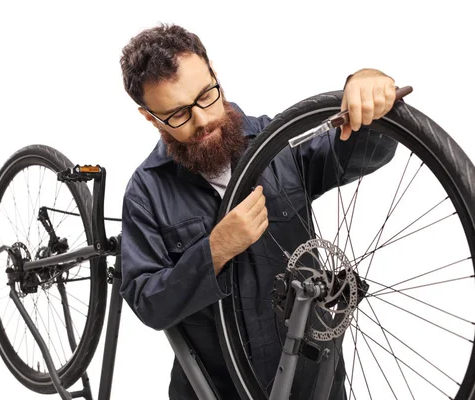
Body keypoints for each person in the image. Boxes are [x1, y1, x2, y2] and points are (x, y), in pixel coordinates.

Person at [118, 23, 399, 400]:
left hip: (310, 381)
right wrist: (215, 250)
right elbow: (147, 301)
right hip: (217, 389)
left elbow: (360, 151)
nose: (202, 121)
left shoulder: (278, 143)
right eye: (178, 115)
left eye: (206, 96)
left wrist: (368, 88)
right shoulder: (145, 193)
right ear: (150, 117)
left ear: (214, 72)